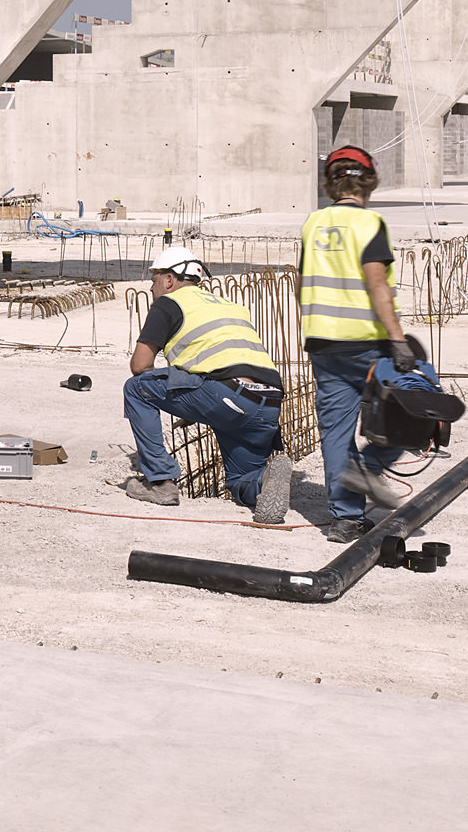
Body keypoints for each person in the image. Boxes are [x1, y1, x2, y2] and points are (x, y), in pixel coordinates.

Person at [119, 247, 293, 523]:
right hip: (268, 404)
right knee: (240, 481)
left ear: (169, 280)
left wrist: (183, 397)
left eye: (154, 281)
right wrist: (192, 405)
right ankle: (263, 483)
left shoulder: (169, 303)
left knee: (137, 388)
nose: (152, 289)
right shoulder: (229, 306)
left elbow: (140, 366)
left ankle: (160, 482)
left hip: (225, 392)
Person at [302, 145, 419, 541]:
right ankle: (368, 468)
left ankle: (345, 519)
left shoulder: (313, 224)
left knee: (335, 431)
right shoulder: (370, 225)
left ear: (331, 183)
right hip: (365, 343)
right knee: (410, 412)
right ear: (368, 181)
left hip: (322, 344)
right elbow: (377, 285)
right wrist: (398, 340)